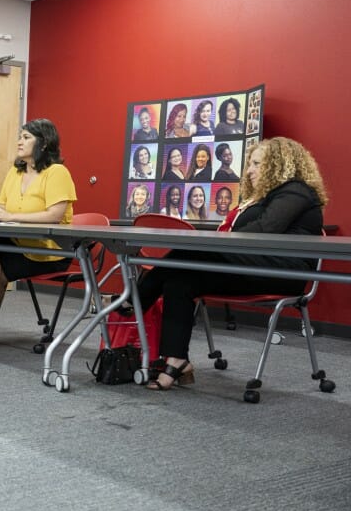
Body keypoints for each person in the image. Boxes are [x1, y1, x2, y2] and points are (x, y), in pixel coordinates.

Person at [138, 137, 327, 390]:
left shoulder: (297, 191)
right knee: (179, 280)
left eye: (257, 164)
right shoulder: (267, 197)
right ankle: (177, 360)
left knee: (189, 253)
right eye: (251, 164)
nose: (249, 170)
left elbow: (265, 229)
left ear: (279, 164)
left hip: (280, 273)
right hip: (251, 267)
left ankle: (131, 301)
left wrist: (222, 240)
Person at [0, 119, 77, 341]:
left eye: (26, 137)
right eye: (20, 137)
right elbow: (4, 207)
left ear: (44, 142)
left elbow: (55, 216)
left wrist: (10, 217)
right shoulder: (15, 171)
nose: (19, 142)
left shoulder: (57, 172)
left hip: (52, 251)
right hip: (21, 244)